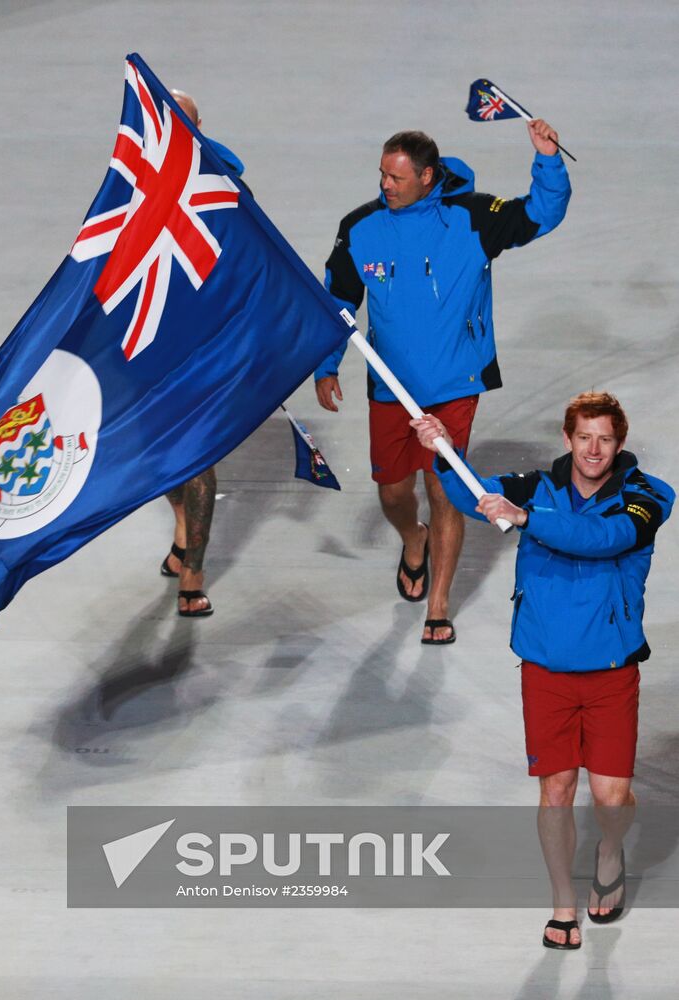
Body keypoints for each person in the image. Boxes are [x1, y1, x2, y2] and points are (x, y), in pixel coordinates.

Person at [412, 392, 674, 949]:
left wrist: (527, 518)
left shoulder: (647, 496)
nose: (594, 449)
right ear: (568, 439)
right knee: (555, 790)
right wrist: (443, 449)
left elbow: (607, 540)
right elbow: (470, 493)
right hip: (545, 669)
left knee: (610, 801)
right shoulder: (536, 485)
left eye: (605, 438)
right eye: (584, 438)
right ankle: (562, 906)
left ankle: (609, 850)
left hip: (609, 671)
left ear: (619, 442)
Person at [315, 122, 571, 643]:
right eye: (382, 175)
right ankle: (414, 540)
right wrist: (326, 364)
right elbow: (337, 302)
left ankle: (439, 604)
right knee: (392, 494)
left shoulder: (473, 218)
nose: (385, 185)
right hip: (390, 387)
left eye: (397, 177)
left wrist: (548, 159)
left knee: (445, 490)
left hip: (454, 382)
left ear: (427, 177)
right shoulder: (360, 227)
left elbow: (542, 213)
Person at [159, 89, 247, 617]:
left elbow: (243, 264)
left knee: (194, 459)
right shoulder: (137, 178)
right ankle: (181, 531)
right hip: (148, 342)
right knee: (158, 454)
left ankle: (193, 571)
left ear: (197, 127)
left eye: (181, 122)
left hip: (200, 348)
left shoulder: (222, 186)